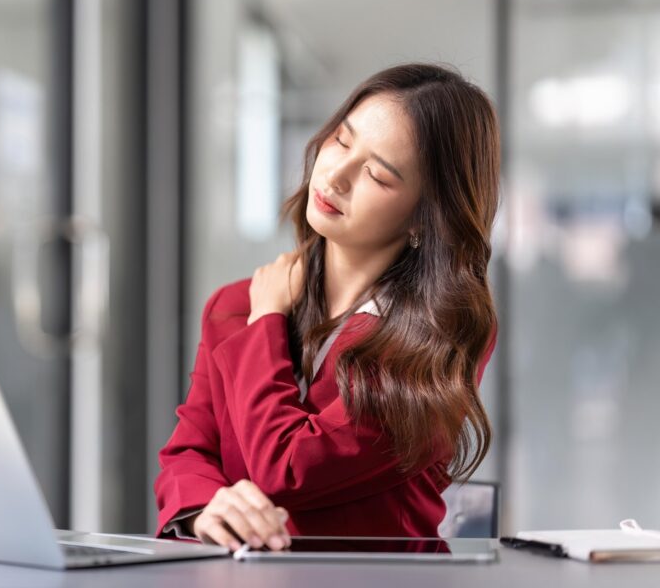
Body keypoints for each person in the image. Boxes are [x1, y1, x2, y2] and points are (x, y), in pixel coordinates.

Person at [154, 63, 501, 552]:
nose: (335, 175)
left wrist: (268, 322)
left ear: (426, 218)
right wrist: (205, 510)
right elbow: (188, 452)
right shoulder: (235, 305)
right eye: (341, 140)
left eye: (377, 174)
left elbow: (288, 467)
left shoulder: (438, 336)